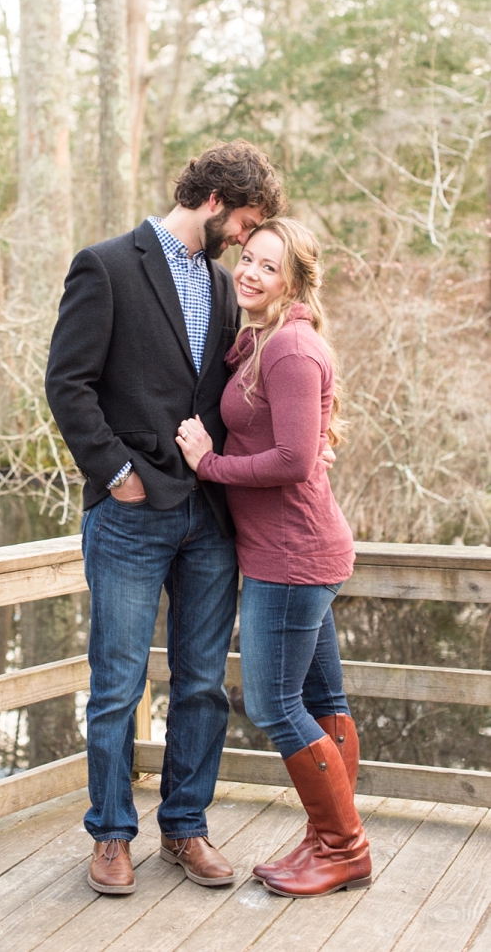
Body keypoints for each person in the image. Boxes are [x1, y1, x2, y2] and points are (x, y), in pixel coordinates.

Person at [46, 140, 285, 895]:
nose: (246, 242)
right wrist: (117, 476)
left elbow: (232, 387)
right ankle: (112, 835)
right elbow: (68, 384)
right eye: (244, 223)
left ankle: (185, 826)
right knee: (117, 683)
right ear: (213, 201)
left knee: (203, 684)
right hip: (130, 514)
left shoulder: (222, 287)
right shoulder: (106, 265)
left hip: (208, 518)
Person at [175, 217, 369, 897]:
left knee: (273, 701)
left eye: (268, 265)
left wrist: (211, 464)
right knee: (321, 698)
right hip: (298, 550)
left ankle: (343, 845)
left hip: (291, 556)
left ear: (291, 280)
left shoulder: (288, 348)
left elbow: (291, 460)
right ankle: (330, 837)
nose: (250, 272)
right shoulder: (264, 341)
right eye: (247, 259)